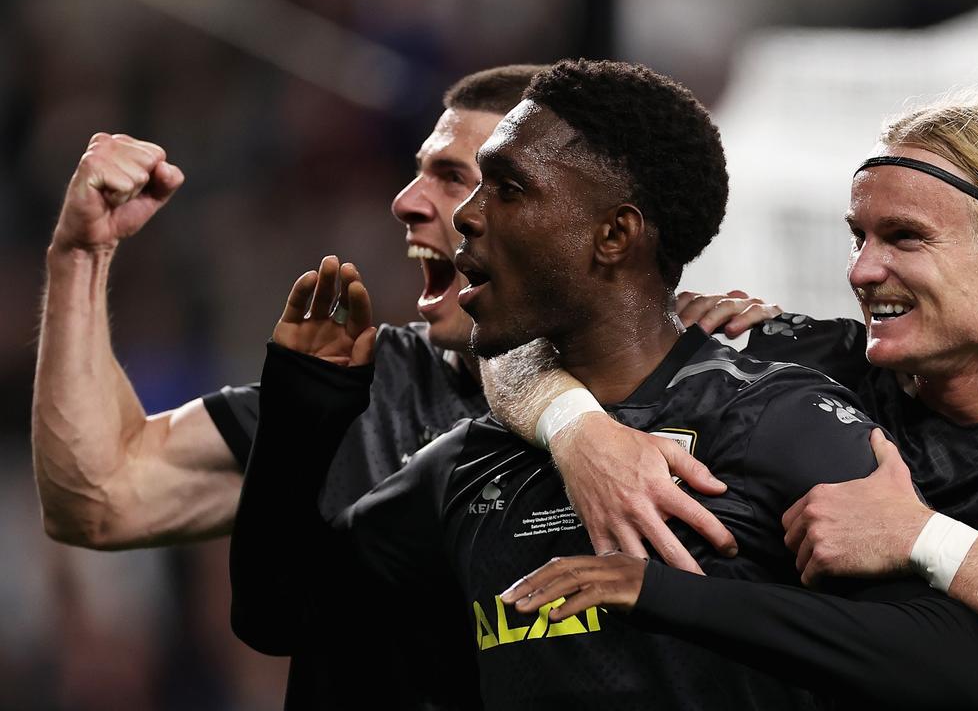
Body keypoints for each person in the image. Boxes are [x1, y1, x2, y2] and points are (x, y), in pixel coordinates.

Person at [231, 59, 978, 710]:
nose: (464, 216)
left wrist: (659, 593)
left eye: (506, 188)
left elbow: (959, 668)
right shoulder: (473, 460)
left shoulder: (771, 416)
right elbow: (284, 614)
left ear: (613, 235)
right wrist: (306, 406)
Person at [31, 63, 746, 710]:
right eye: (420, 173)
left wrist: (867, 504)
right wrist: (81, 253)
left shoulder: (713, 388)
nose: (408, 201)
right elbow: (99, 498)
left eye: (463, 178)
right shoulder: (358, 389)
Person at [498, 96, 978, 711]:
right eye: (859, 237)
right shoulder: (798, 362)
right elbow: (513, 344)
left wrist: (921, 537)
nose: (862, 269)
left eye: (904, 238)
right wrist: (578, 430)